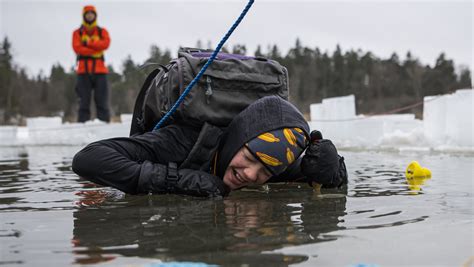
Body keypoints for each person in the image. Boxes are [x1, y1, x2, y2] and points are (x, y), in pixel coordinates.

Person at [72, 96, 347, 197]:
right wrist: (179, 180)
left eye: (264, 172)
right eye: (250, 157)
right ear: (239, 139)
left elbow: (316, 175)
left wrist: (330, 169)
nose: (251, 175)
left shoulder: (271, 163)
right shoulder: (184, 141)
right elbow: (88, 158)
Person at [72, 5, 111, 123]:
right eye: (87, 13)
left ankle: (104, 125)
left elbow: (105, 44)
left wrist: (88, 43)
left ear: (95, 15)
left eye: (91, 13)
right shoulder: (77, 33)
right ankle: (82, 125)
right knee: (84, 101)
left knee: (102, 101)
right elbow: (77, 48)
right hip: (83, 71)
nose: (89, 15)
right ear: (84, 16)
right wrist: (96, 49)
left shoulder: (102, 31)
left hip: (100, 71)